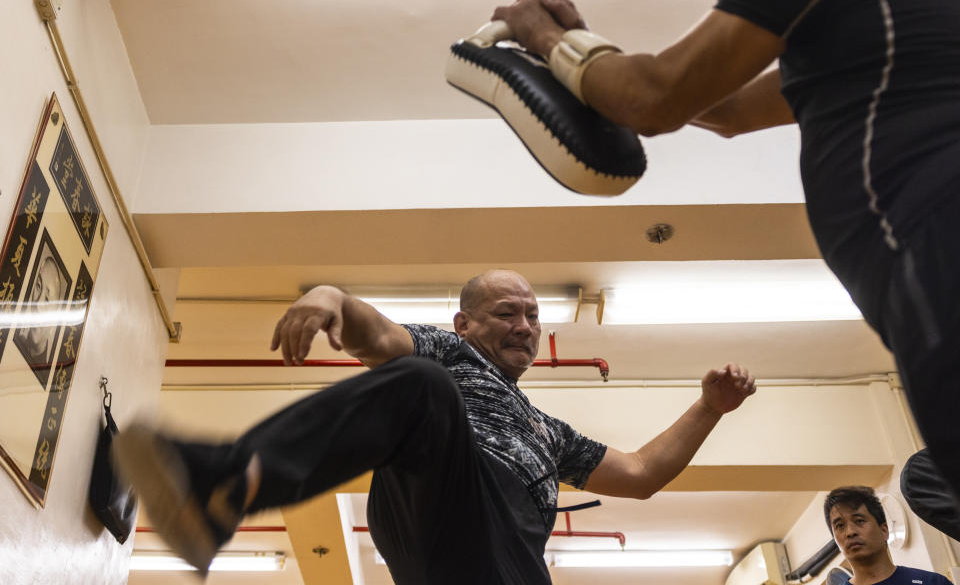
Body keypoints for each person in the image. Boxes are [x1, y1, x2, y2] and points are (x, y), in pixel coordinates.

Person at [491, 0, 960, 503]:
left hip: (934, 240)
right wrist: (589, 56)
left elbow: (659, 98)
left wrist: (544, 38)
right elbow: (726, 111)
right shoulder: (864, 19)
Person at [114, 269, 756, 583]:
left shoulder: (550, 433)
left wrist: (710, 409)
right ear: (464, 325)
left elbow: (641, 474)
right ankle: (227, 489)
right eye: (508, 312)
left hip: (505, 556)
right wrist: (333, 297)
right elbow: (381, 336)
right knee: (421, 385)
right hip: (434, 512)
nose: (526, 326)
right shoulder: (447, 355)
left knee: (425, 393)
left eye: (533, 316)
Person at [825, 486, 953, 585]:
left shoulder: (932, 582)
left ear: (884, 530)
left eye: (859, 521)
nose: (850, 532)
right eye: (840, 526)